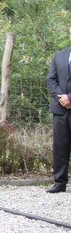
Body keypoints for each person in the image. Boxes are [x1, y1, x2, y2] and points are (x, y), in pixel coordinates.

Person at [46, 45, 71, 193]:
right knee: (60, 147)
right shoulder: (59, 55)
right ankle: (59, 183)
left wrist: (70, 98)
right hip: (60, 109)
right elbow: (51, 80)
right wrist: (61, 98)